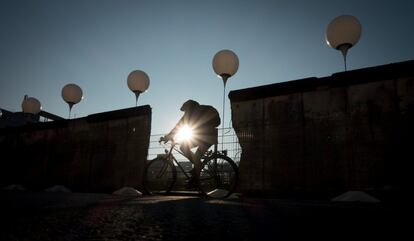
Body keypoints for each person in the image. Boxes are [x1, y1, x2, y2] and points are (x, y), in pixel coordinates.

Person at [161, 99, 220, 187]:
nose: (185, 113)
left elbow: (178, 125)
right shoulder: (200, 110)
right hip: (207, 136)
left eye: (185, 110)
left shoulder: (192, 113)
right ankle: (195, 175)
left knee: (186, 150)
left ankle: (197, 167)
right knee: (190, 153)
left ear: (189, 107)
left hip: (206, 136)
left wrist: (168, 137)